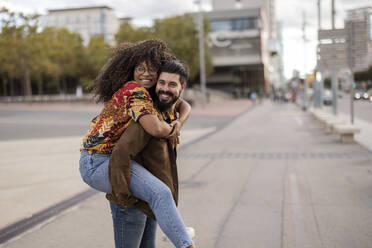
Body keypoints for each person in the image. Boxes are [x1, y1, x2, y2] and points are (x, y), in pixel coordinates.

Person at [78, 40, 193, 247]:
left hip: (110, 160)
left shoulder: (149, 94)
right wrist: (173, 129)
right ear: (131, 71)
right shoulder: (135, 92)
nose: (145, 73)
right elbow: (155, 129)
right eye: (140, 68)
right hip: (97, 163)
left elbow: (184, 105)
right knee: (160, 193)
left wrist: (178, 121)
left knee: (152, 201)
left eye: (152, 69)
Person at [108, 60, 195, 248]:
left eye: (172, 84)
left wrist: (178, 124)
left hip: (150, 202)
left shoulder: (170, 111)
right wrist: (124, 201)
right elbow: (120, 153)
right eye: (161, 83)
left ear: (182, 87)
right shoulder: (148, 117)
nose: (164, 89)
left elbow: (185, 106)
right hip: (133, 203)